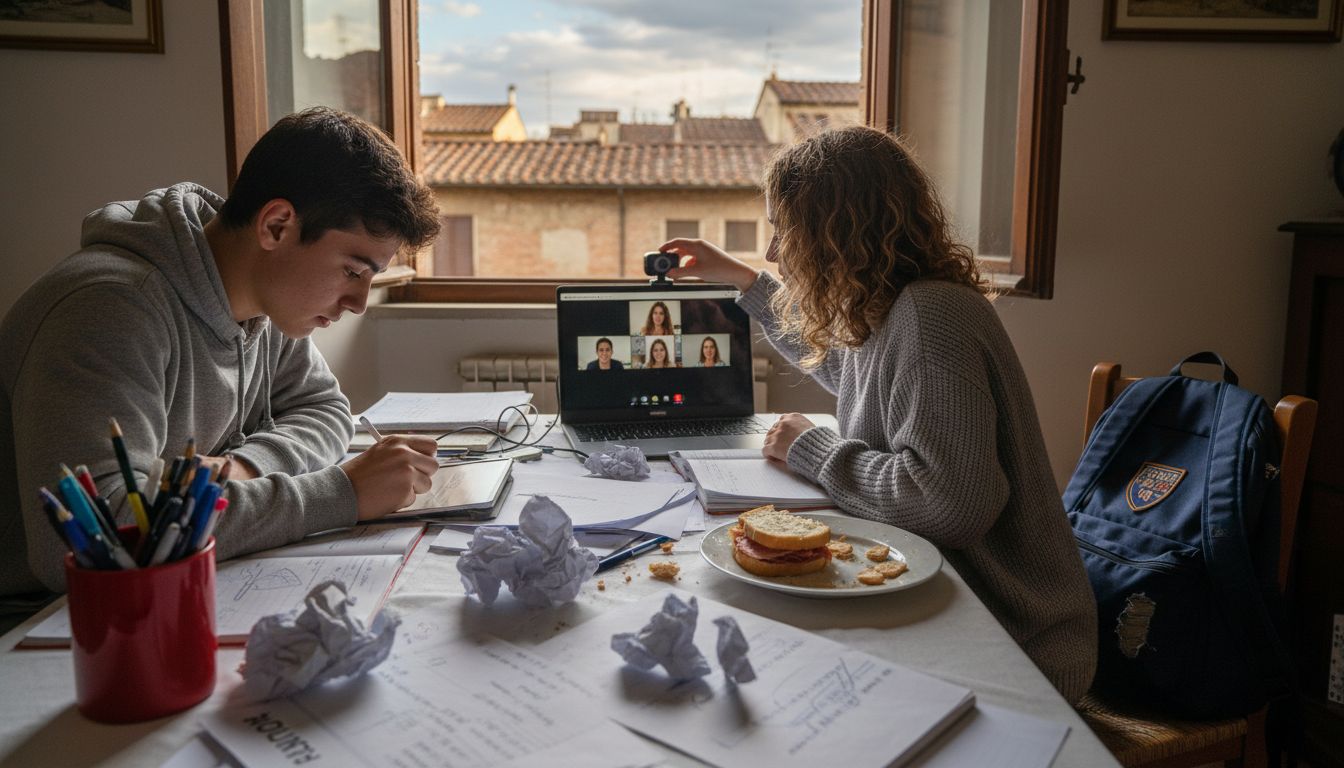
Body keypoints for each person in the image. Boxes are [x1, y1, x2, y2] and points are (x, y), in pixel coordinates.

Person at [660, 125, 1097, 703]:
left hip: (1015, 643)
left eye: (780, 229)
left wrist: (810, 450)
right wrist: (746, 283)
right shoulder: (898, 306)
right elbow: (851, 375)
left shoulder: (931, 317)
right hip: (950, 600)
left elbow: (950, 504)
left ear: (833, 233)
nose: (772, 251)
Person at [0, 107, 443, 601]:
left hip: (177, 589)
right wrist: (340, 496)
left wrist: (245, 468)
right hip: (44, 623)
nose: (358, 303)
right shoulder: (108, 309)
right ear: (276, 226)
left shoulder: (267, 301)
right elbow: (99, 538)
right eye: (353, 271)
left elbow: (324, 408)